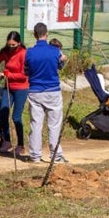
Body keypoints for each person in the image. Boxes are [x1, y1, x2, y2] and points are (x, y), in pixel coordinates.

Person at [24, 22, 67, 164]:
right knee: (54, 125)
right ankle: (56, 156)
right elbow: (60, 66)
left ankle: (35, 156)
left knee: (36, 124)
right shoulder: (55, 51)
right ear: (46, 34)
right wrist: (63, 61)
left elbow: (26, 71)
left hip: (35, 91)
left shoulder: (29, 52)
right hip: (53, 91)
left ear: (35, 35)